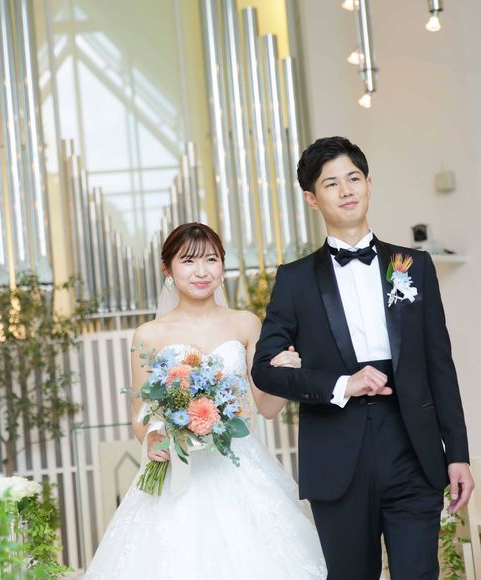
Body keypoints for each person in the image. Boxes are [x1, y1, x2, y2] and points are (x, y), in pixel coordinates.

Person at [251, 136, 474, 580]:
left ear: (369, 184)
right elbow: (264, 370)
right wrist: (341, 384)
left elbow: (439, 366)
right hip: (337, 456)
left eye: (353, 178)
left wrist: (458, 453)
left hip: (412, 449)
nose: (346, 190)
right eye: (331, 183)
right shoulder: (295, 280)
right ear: (312, 199)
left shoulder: (414, 266)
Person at [83, 222, 326, 579]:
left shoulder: (245, 324)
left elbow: (268, 408)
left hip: (240, 467)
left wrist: (287, 373)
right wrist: (153, 438)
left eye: (211, 259)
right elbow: (140, 415)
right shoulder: (148, 335)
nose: (201, 271)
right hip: (179, 469)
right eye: (188, 261)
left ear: (222, 266)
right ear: (167, 269)